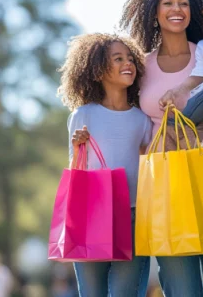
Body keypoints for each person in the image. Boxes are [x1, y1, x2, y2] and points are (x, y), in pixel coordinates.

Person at [119, 0, 203, 297]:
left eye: (184, 3)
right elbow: (128, 119)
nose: (177, 9)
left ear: (196, 10)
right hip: (165, 183)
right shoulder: (141, 67)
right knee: (179, 288)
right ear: (154, 11)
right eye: (168, 2)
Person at [57, 33, 152, 297]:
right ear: (98, 70)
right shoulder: (84, 114)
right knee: (92, 293)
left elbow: (147, 165)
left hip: (133, 216)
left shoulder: (142, 119)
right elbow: (77, 170)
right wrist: (78, 147)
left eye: (130, 58)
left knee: (125, 293)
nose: (128, 63)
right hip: (91, 213)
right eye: (118, 58)